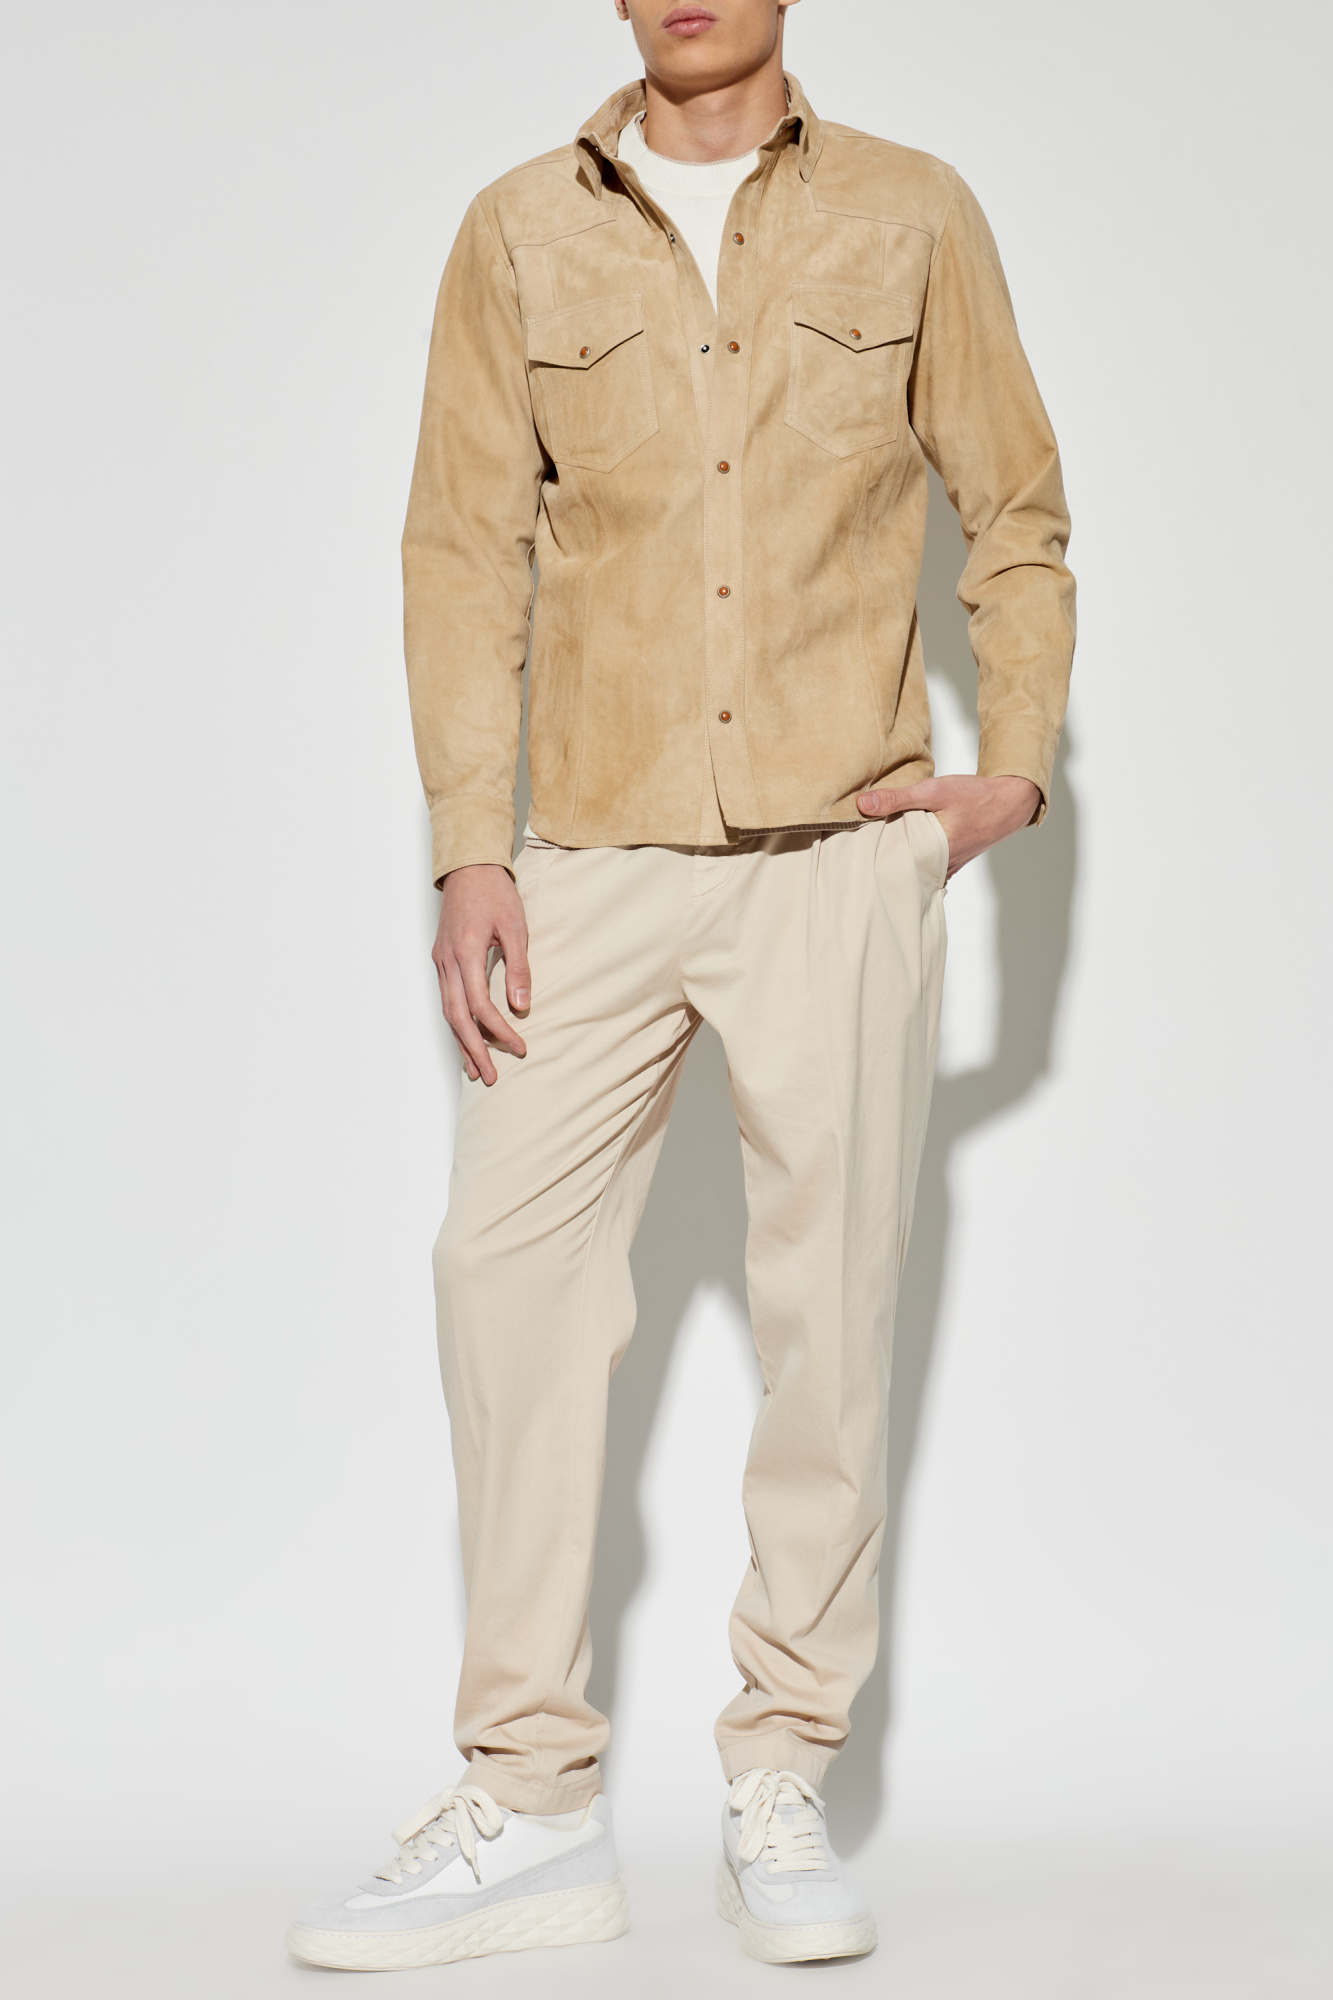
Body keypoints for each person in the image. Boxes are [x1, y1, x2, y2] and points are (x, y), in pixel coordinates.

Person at [286, 0, 1074, 1972]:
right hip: (595, 845)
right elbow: (459, 548)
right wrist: (470, 843)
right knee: (502, 1275)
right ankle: (532, 1801)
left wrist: (1007, 768)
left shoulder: (911, 211)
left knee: (833, 1319)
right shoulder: (516, 229)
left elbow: (1017, 513)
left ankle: (780, 1768)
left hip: (838, 848)